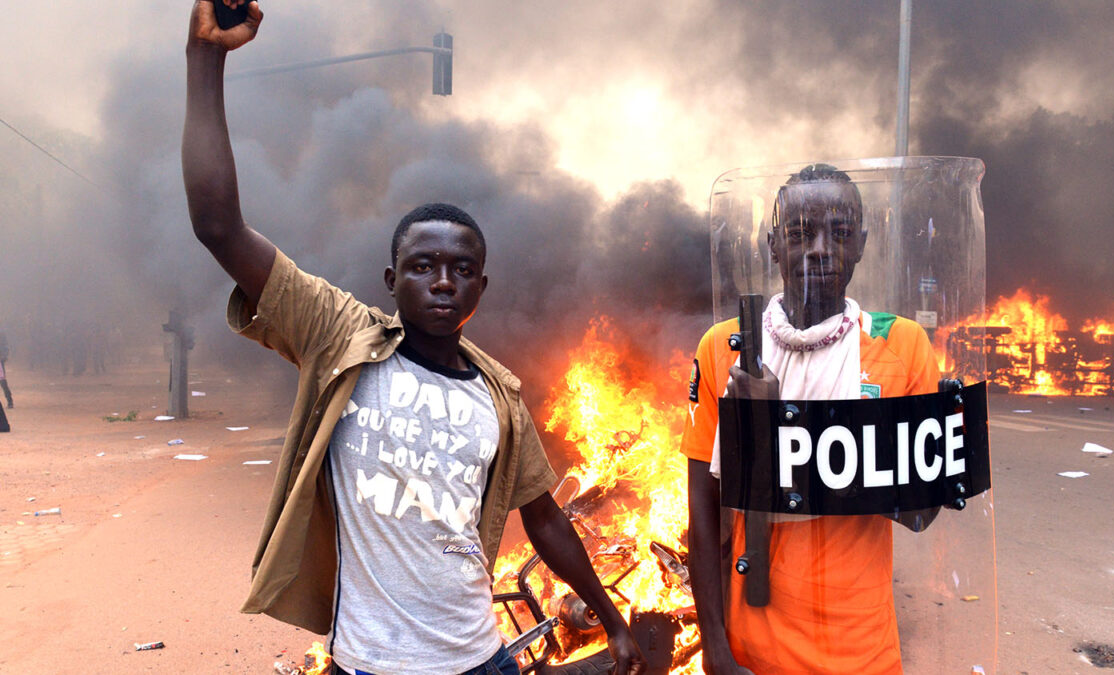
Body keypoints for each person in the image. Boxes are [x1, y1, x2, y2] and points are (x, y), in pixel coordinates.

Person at [181, 3, 645, 674]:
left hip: (482, 660)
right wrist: (205, 59)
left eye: (461, 270)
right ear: (393, 280)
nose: (443, 282)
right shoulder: (340, 335)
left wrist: (612, 618)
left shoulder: (500, 395)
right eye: (424, 267)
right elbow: (218, 226)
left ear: (481, 290)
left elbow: (545, 520)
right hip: (371, 664)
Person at [682, 165, 941, 674]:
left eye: (839, 233)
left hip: (860, 651)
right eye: (800, 233)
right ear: (773, 244)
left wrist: (782, 431)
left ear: (862, 243)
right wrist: (715, 649)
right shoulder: (726, 348)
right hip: (750, 648)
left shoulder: (903, 345)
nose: (820, 249)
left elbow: (922, 513)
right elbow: (703, 514)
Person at [0, 328, 13, 409]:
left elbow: (5, 346)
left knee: (3, 382)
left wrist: (4, 356)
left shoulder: (1, 333)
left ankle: (10, 401)